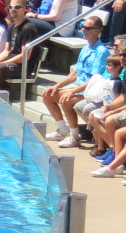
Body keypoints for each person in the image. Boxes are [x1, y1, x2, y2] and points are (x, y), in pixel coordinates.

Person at [43, 14, 110, 145]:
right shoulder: (85, 48)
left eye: (87, 28)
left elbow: (94, 80)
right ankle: (62, 130)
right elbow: (75, 74)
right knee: (48, 95)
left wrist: (72, 92)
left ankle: (74, 137)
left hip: (91, 93)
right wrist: (57, 86)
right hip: (80, 89)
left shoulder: (101, 51)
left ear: (97, 31)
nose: (83, 30)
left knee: (67, 100)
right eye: (82, 27)